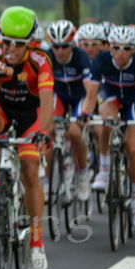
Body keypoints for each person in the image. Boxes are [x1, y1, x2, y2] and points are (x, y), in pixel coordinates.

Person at [0, 6, 53, 269]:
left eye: (18, 44)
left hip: (30, 115)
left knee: (31, 174)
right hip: (1, 108)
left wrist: (43, 131)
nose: (11, 48)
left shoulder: (40, 59)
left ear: (30, 42)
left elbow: (46, 101)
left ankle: (36, 244)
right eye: (6, 41)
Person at [80, 26, 135, 229]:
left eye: (126, 48)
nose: (120, 53)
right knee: (108, 120)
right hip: (112, 96)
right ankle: (104, 169)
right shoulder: (101, 60)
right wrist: (85, 113)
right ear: (109, 47)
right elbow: (91, 96)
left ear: (133, 49)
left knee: (131, 147)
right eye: (116, 48)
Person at [45, 20, 91, 200]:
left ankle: (82, 176)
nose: (60, 51)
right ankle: (47, 182)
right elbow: (44, 89)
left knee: (75, 132)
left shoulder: (81, 57)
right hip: (59, 97)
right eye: (56, 46)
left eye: (65, 46)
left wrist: (87, 110)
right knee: (47, 131)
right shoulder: (48, 57)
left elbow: (89, 87)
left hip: (79, 97)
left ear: (72, 44)